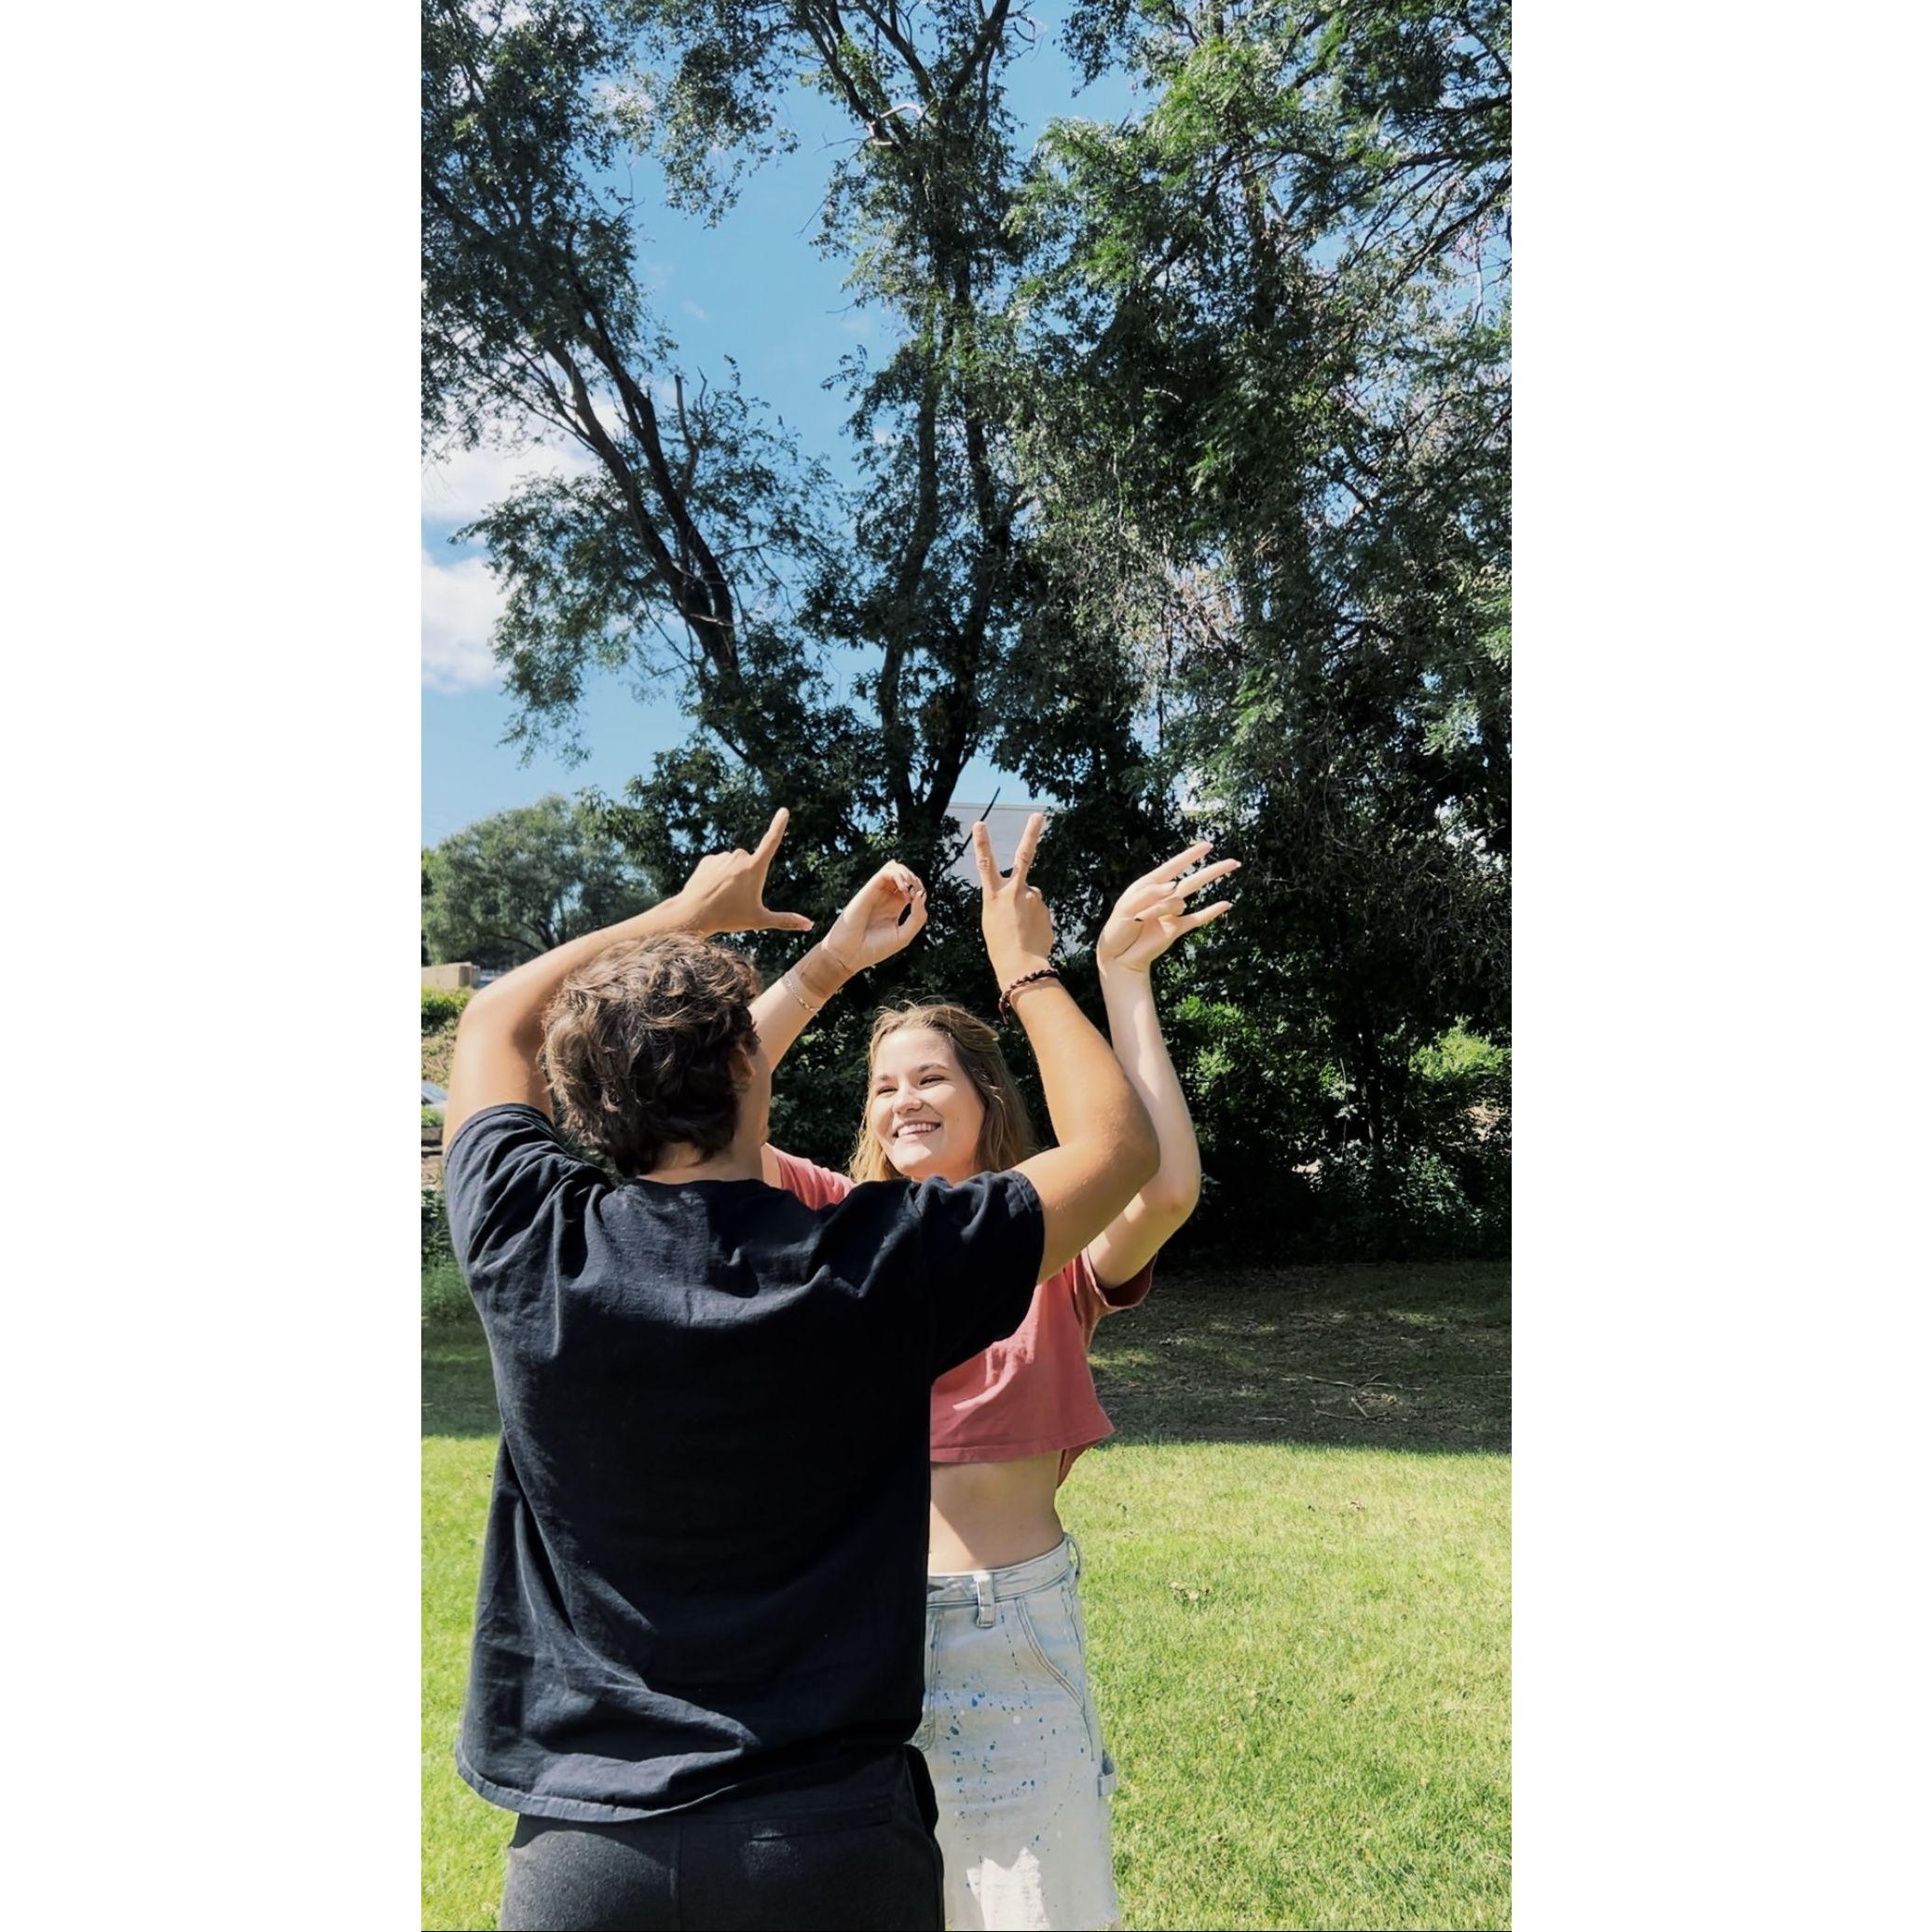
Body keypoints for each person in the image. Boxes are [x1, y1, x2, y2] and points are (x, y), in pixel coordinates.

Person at [441, 806, 1158, 1932]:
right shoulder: (876, 1262)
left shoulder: (528, 1237)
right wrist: (1024, 968)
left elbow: (493, 1020)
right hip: (827, 1845)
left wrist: (685, 915)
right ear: (751, 1070)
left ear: (580, 1099)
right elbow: (1119, 1151)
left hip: (587, 1854)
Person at [764, 827, 1238, 1931]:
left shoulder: (1048, 1239)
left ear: (984, 1095)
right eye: (884, 1086)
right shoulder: (833, 1222)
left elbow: (1162, 1190)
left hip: (1006, 1634)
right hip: (844, 1638)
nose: (903, 1100)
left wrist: (1108, 976)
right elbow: (694, 1115)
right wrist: (826, 966)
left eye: (930, 1076)